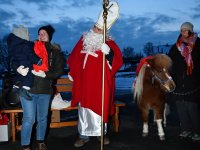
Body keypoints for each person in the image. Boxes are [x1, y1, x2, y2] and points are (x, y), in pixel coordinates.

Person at [67, 1, 123, 148]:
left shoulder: (109, 43)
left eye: (100, 29)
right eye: (95, 27)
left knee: (100, 107)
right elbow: (74, 57)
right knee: (84, 109)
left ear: (105, 30)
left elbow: (118, 61)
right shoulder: (84, 39)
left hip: (100, 83)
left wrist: (109, 53)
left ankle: (100, 135)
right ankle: (83, 136)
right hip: (84, 82)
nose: (96, 30)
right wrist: (72, 72)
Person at [20, 24, 65, 150]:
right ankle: (25, 145)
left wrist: (45, 74)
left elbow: (58, 71)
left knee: (42, 118)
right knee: (29, 119)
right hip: (29, 90)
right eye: (39, 33)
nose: (41, 35)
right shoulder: (31, 47)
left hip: (45, 91)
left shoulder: (55, 52)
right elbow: (19, 60)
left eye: (44, 33)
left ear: (49, 36)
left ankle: (40, 141)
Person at [168, 22, 200, 142]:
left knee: (192, 107)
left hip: (193, 82)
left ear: (191, 31)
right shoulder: (175, 47)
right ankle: (186, 129)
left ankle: (197, 131)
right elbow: (170, 63)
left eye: (186, 30)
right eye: (182, 30)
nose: (184, 32)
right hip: (178, 83)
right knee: (181, 107)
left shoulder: (198, 44)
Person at [7, 25, 39, 101]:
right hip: (27, 65)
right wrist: (38, 61)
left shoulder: (13, 46)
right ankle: (24, 90)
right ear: (23, 35)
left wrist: (17, 68)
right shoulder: (26, 45)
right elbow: (31, 55)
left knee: (19, 76)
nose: (29, 36)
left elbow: (12, 60)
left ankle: (15, 86)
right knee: (30, 76)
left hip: (19, 65)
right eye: (28, 34)